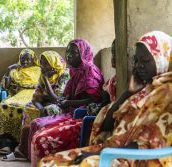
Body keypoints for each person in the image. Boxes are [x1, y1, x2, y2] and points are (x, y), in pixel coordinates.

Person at [39, 31, 172, 166]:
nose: (138, 66)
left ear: (162, 59)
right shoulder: (145, 91)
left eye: (146, 60)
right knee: (46, 162)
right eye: (136, 60)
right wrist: (128, 93)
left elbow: (148, 144)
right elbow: (108, 125)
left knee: (50, 164)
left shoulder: (166, 94)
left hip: (138, 160)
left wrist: (100, 153)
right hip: (115, 151)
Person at [30, 39, 104, 166]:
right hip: (71, 110)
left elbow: (93, 99)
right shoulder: (74, 71)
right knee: (36, 123)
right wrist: (66, 100)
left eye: (74, 53)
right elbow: (61, 97)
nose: (69, 55)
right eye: (68, 52)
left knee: (42, 132)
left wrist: (69, 102)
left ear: (83, 53)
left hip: (82, 115)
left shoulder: (90, 71)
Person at [2, 50, 69, 161]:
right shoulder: (43, 74)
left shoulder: (64, 74)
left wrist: (46, 80)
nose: (42, 66)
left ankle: (38, 146)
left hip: (63, 106)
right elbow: (35, 97)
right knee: (28, 107)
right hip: (44, 103)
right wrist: (41, 107)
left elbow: (57, 99)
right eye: (41, 63)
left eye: (45, 63)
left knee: (50, 109)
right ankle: (25, 147)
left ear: (53, 63)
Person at [0, 49, 41, 154]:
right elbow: (5, 86)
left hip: (34, 94)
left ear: (33, 60)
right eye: (22, 59)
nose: (25, 62)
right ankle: (7, 143)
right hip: (18, 94)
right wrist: (8, 69)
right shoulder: (15, 70)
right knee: (5, 105)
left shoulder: (38, 70)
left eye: (28, 59)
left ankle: (25, 143)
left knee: (27, 107)